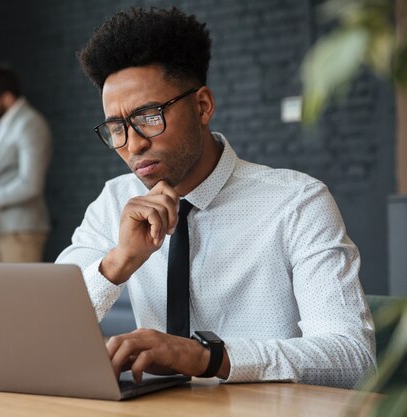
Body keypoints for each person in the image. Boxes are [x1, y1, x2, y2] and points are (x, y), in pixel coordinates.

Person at [56, 7, 375, 389]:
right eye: (117, 128)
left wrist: (210, 358)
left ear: (203, 106)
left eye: (149, 116)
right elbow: (45, 326)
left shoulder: (298, 202)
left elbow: (353, 356)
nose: (134, 144)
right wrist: (118, 262)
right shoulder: (113, 201)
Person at [0, 65, 52, 262]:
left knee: (20, 294)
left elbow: (30, 183)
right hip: (6, 229)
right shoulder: (4, 124)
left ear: (7, 97)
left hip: (22, 230)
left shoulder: (29, 123)